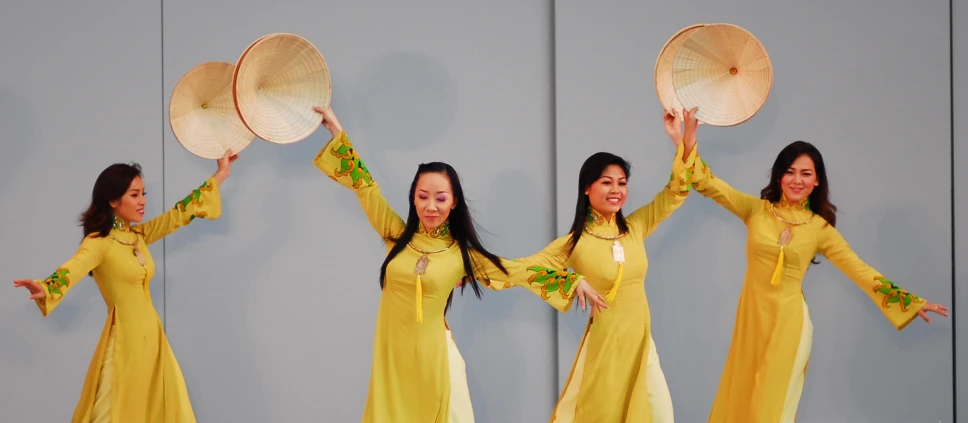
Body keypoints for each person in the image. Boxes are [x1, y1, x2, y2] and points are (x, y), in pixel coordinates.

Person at [310, 106, 607, 422]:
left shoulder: (460, 256)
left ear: (453, 202)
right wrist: (336, 131)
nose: (431, 206)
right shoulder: (397, 236)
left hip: (431, 359)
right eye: (423, 196)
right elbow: (366, 187)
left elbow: (514, 270)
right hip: (390, 357)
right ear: (413, 198)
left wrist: (573, 281)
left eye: (440, 198)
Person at [682, 106, 950, 422]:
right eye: (790, 171)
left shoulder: (819, 228)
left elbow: (860, 270)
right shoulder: (756, 211)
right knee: (741, 401)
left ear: (817, 181)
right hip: (752, 322)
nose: (797, 180)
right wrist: (688, 137)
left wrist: (910, 302)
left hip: (789, 325)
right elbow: (707, 183)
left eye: (806, 173)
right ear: (779, 175)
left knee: (768, 410)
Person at [501, 110, 696, 422]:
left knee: (660, 415)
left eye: (621, 182)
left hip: (642, 343)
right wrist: (571, 280)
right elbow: (521, 269)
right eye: (606, 182)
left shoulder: (635, 227)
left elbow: (676, 192)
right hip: (606, 344)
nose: (616, 190)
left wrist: (683, 140)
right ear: (587, 189)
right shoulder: (575, 242)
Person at [13, 151, 238, 422]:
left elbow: (180, 213)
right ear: (112, 199)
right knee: (114, 410)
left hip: (153, 339)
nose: (143, 201)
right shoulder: (99, 242)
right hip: (125, 343)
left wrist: (221, 174)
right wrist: (46, 287)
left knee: (162, 408)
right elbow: (74, 267)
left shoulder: (137, 236)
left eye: (143, 194)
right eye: (134, 195)